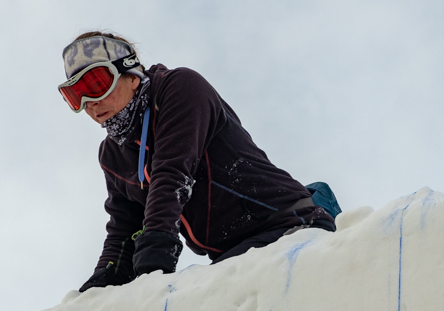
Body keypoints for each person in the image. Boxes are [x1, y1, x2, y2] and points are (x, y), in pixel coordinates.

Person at [58, 32, 337, 292]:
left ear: (131, 75)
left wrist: (156, 252)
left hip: (285, 225)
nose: (89, 103)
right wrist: (101, 286)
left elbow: (173, 171)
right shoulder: (113, 154)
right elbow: (123, 227)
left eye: (96, 85)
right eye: (75, 96)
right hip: (230, 255)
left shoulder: (178, 88)